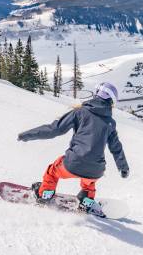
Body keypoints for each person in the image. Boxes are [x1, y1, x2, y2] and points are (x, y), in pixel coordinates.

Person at [17, 82, 129, 211]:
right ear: (111, 102)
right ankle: (86, 200)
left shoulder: (80, 112)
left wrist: (27, 135)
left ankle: (45, 194)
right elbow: (116, 148)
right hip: (96, 170)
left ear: (96, 94)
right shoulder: (110, 123)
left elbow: (55, 129)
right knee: (89, 182)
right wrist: (123, 167)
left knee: (52, 171)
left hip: (73, 163)